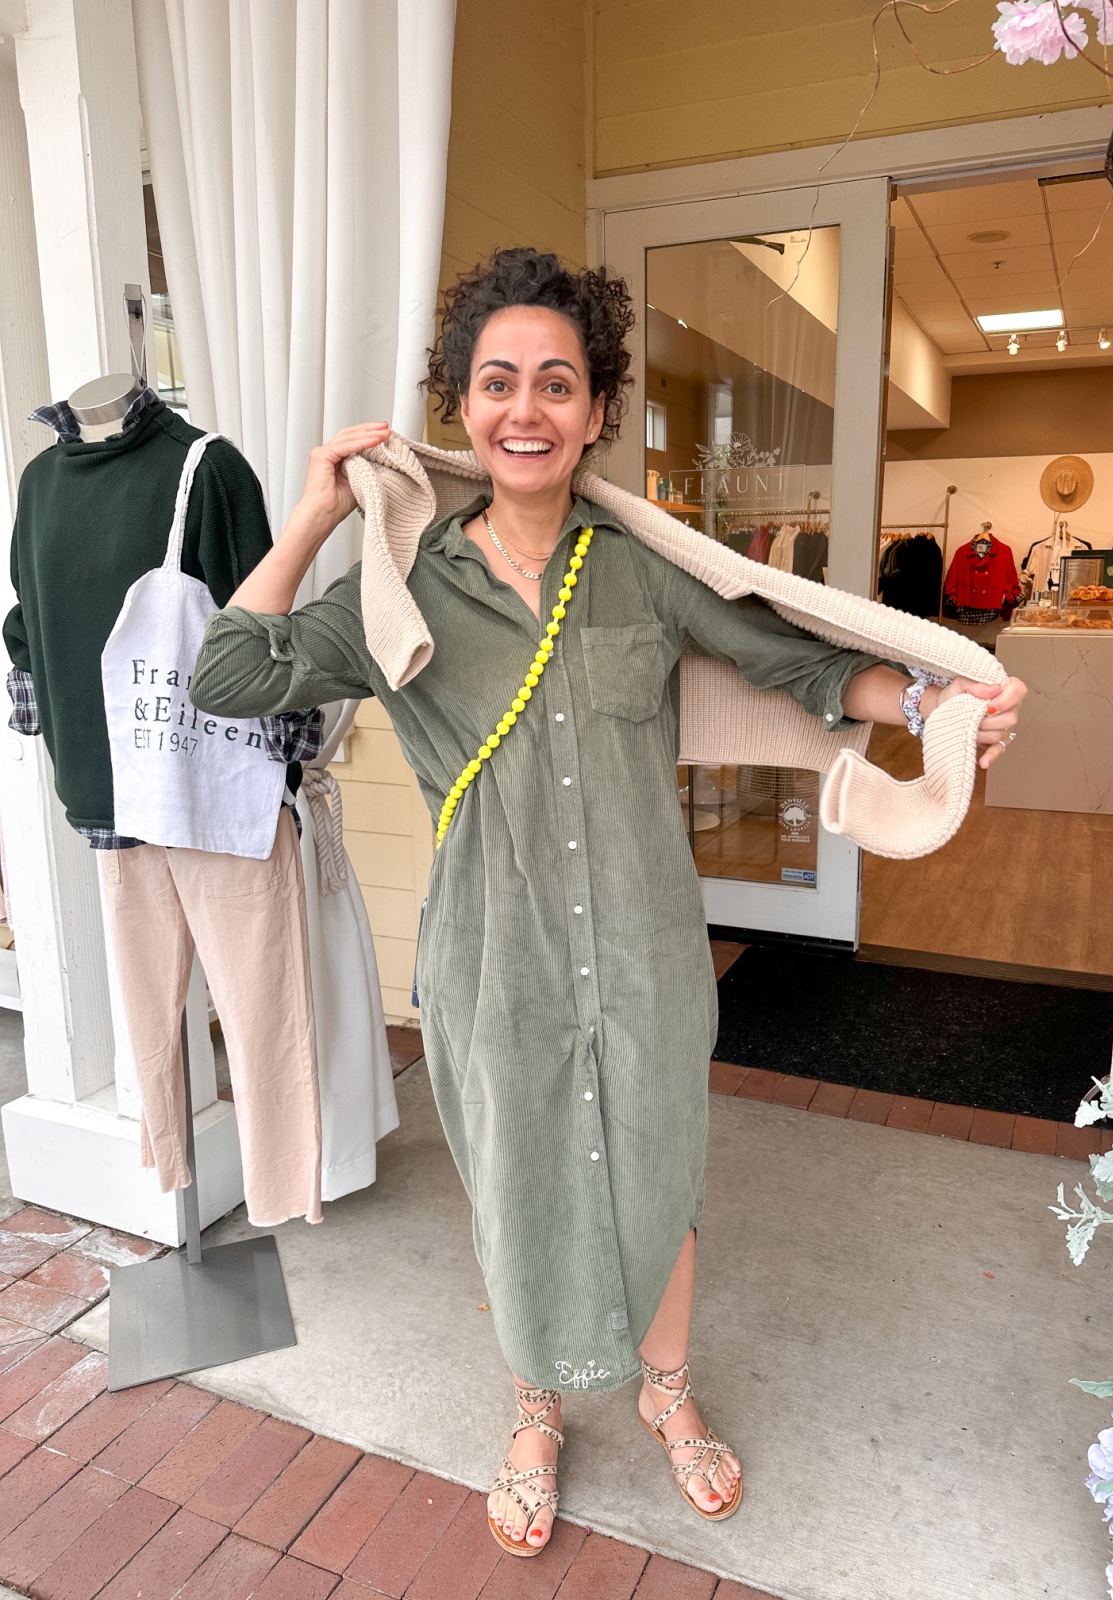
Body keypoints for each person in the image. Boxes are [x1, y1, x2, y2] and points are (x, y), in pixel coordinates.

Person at [191, 248, 1026, 1557]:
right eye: (498, 382)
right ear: (461, 406)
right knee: (517, 1184)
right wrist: (312, 514)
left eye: (558, 384)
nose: (527, 408)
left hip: (643, 951)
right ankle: (533, 1412)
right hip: (492, 959)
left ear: (596, 411)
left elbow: (800, 662)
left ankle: (668, 1395)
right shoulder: (405, 591)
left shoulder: (641, 569)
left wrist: (937, 703)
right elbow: (230, 672)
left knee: (658, 1181)